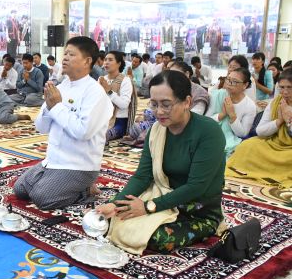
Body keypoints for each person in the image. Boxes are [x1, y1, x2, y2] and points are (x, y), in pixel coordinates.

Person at [95, 71, 225, 254]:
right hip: (162, 194)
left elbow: (197, 186)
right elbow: (143, 176)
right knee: (106, 215)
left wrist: (148, 207)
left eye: (166, 104)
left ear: (187, 102)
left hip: (197, 209)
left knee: (159, 238)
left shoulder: (209, 132)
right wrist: (116, 204)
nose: (159, 111)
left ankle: (207, 226)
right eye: (154, 104)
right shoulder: (156, 130)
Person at [13, 36, 112, 210]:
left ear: (87, 61)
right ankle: (57, 183)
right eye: (65, 53)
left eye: (71, 54)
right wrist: (48, 107)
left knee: (43, 198)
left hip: (79, 165)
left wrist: (57, 106)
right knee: (20, 189)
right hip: (53, 160)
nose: (65, 58)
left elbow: (83, 132)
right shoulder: (61, 87)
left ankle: (85, 190)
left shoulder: (95, 92)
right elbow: (41, 128)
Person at [226, 69, 292, 188]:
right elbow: (260, 131)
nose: (285, 92)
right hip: (274, 142)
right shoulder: (275, 102)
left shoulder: (249, 104)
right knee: (247, 145)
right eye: (282, 87)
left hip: (289, 149)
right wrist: (279, 121)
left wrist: (288, 119)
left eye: (289, 87)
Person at [206, 68, 256, 156]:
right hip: (211, 135)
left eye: (234, 81)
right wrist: (221, 115)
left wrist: (232, 115)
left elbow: (243, 134)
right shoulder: (218, 95)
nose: (229, 83)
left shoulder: (250, 106)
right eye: (228, 79)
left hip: (232, 143)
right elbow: (206, 120)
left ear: (245, 85)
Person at [100, 51, 136, 141]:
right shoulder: (102, 79)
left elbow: (124, 105)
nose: (106, 62)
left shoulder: (125, 80)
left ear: (119, 63)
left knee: (103, 136)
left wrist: (109, 91)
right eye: (105, 60)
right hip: (103, 119)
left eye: (110, 60)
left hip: (119, 121)